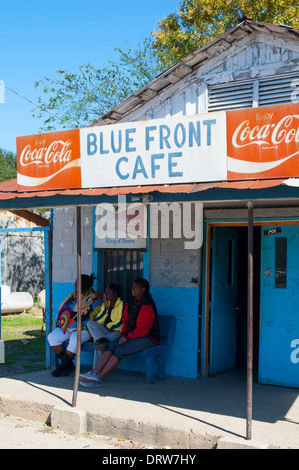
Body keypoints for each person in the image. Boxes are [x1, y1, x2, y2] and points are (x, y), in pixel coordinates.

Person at [79, 277, 160, 387]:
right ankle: (95, 372)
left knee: (119, 350)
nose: (132, 290)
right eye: (132, 287)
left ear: (143, 289)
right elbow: (125, 320)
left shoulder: (147, 303)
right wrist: (124, 334)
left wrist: (127, 338)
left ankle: (98, 378)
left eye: (135, 288)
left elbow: (143, 329)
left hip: (148, 337)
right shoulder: (131, 302)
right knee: (111, 345)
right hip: (132, 335)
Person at [48, 273, 101, 377]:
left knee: (75, 337)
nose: (75, 284)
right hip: (70, 327)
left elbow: (96, 319)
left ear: (84, 284)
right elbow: (65, 311)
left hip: (86, 330)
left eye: (77, 282)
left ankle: (63, 366)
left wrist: (81, 327)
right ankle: (68, 365)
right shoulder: (73, 296)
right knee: (52, 337)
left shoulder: (96, 299)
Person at [86, 284, 123, 369]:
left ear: (115, 294)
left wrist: (107, 325)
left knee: (100, 344)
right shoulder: (106, 304)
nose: (105, 294)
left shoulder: (122, 304)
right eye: (105, 292)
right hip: (106, 332)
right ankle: (100, 340)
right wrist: (106, 309)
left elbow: (120, 324)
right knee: (90, 323)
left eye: (108, 292)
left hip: (118, 333)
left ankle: (95, 371)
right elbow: (98, 321)